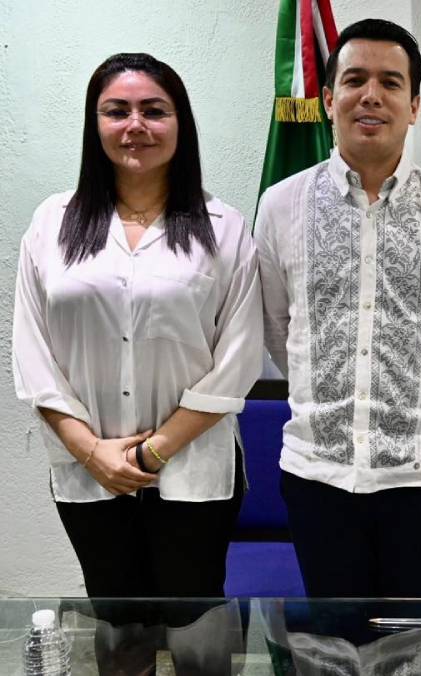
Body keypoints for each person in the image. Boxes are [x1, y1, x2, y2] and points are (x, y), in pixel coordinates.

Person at [11, 52, 262, 674]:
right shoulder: (52, 224)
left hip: (195, 465)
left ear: (180, 124)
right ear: (95, 124)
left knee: (195, 622)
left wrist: (153, 452)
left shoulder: (224, 228)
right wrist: (90, 451)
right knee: (116, 618)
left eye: (154, 110)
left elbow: (237, 357)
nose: (135, 126)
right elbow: (33, 352)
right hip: (86, 467)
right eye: (116, 111)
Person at [255, 18, 421, 600]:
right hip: (318, 473)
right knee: (333, 639)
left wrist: (412, 396)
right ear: (328, 98)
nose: (371, 95)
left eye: (390, 82)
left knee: (417, 639)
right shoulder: (280, 206)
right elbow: (279, 328)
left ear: (414, 106)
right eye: (355, 79)